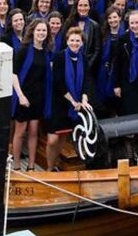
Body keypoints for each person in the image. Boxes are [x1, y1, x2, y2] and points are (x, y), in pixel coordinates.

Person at [47, 27, 93, 171]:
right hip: (59, 102)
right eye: (72, 40)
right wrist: (73, 102)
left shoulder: (84, 58)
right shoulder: (59, 57)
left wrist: (84, 100)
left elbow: (86, 80)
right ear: (67, 41)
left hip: (75, 105)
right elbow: (58, 82)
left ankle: (55, 164)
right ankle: (49, 167)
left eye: (77, 41)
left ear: (82, 43)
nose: (74, 43)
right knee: (52, 139)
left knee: (62, 137)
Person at [12, 19, 53, 171]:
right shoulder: (23, 49)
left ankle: (30, 165)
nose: (41, 33)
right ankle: (16, 165)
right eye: (39, 30)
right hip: (23, 96)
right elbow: (13, 74)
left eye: (44, 31)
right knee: (20, 132)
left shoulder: (47, 52)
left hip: (38, 96)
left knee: (34, 132)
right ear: (32, 32)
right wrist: (20, 96)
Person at [96, 7, 124, 118]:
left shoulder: (126, 33)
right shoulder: (103, 33)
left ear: (120, 18)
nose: (112, 20)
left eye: (115, 17)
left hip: (118, 73)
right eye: (110, 18)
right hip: (104, 73)